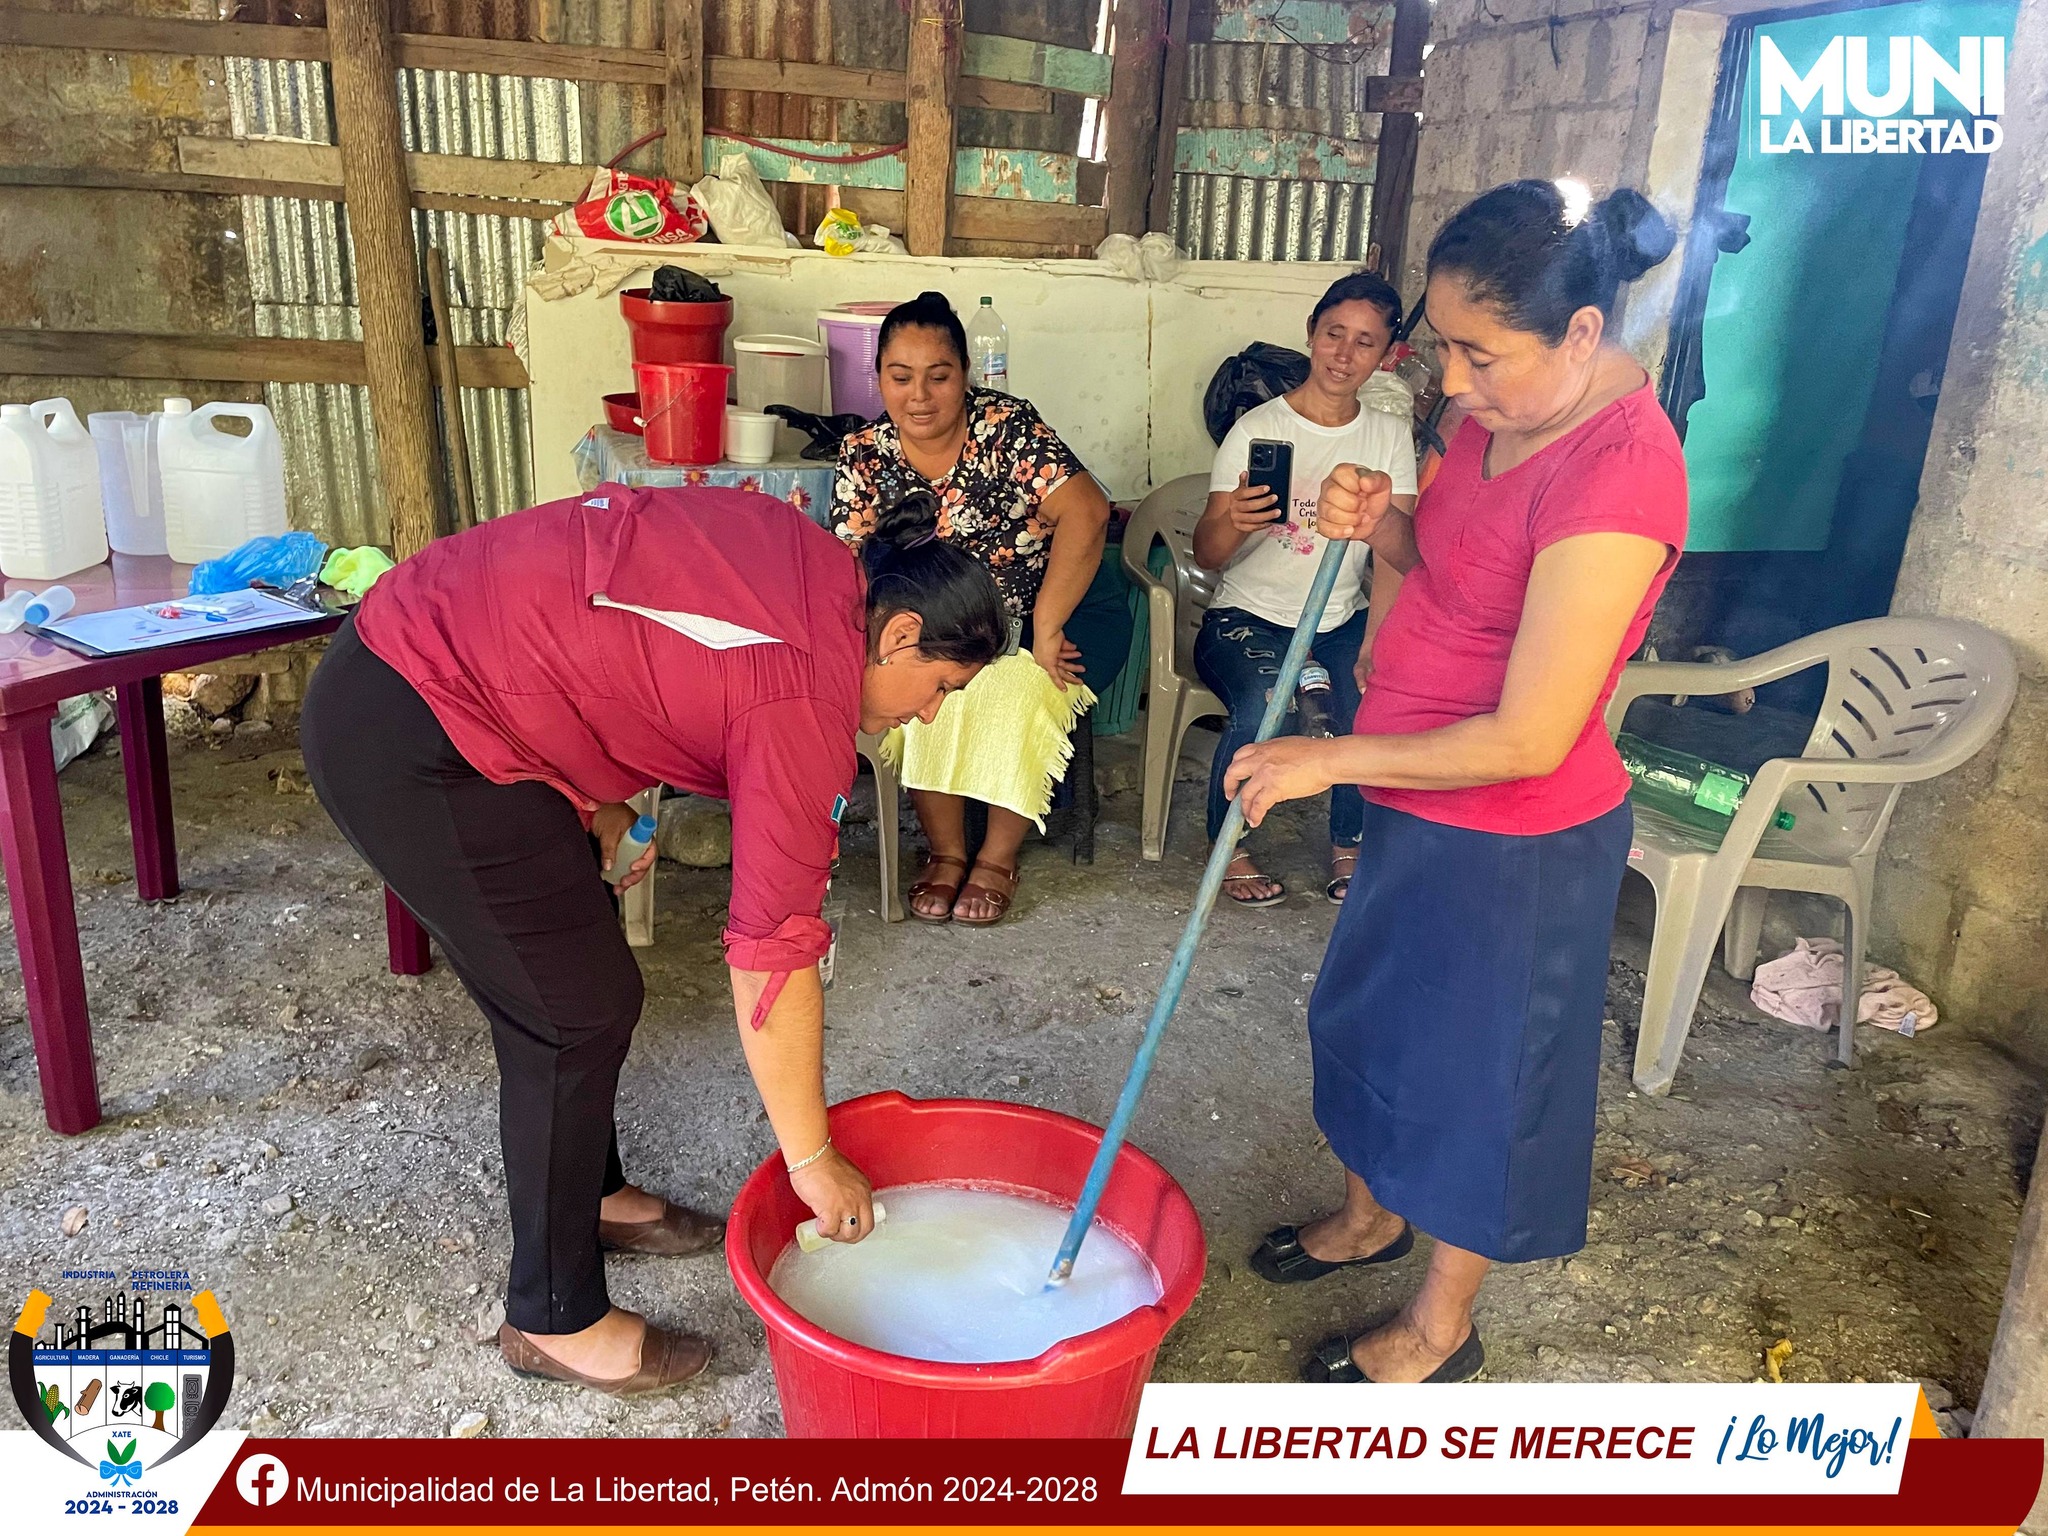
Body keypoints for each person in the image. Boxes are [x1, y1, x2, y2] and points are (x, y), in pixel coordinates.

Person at [300, 484, 1005, 1395]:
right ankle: (553, 1319)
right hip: (410, 728)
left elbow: (621, 629)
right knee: (571, 1014)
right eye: (942, 687)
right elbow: (772, 954)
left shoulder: (816, 564)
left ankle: (592, 1199)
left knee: (580, 976)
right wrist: (813, 1159)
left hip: (437, 666)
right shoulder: (803, 697)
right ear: (901, 635)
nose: (932, 713)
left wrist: (598, 797)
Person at [1228, 180, 1686, 1383]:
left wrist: (1327, 757)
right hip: (1414, 796)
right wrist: (1382, 518)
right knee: (1370, 1025)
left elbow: (1528, 736)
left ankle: (1439, 1326)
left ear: (1579, 334)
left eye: (1477, 355)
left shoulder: (1619, 476)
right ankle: (1368, 1218)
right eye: (1441, 348)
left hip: (1515, 841)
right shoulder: (1495, 416)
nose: (1451, 383)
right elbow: (1446, 556)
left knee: (1473, 1084)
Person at [832, 291, 1122, 926]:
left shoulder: (1006, 428)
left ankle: (996, 857)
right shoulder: (863, 453)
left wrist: (1047, 627)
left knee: (1020, 686)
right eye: (900, 377)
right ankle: (946, 851)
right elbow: (849, 567)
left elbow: (1088, 511)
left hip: (1047, 616)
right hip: (934, 635)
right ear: (878, 377)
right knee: (914, 681)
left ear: (966, 374)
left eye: (939, 377)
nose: (919, 396)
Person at [1191, 271, 1418, 906]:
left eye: (1365, 342)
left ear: (1387, 354)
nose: (1344, 354)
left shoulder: (1387, 435)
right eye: (1334, 334)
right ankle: (1227, 842)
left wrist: (1374, 644)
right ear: (1311, 333)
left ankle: (1350, 841)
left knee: (1366, 705)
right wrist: (1234, 520)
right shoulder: (1255, 429)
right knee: (1267, 704)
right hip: (1245, 618)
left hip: (1339, 620)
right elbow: (1206, 555)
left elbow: (1396, 552)